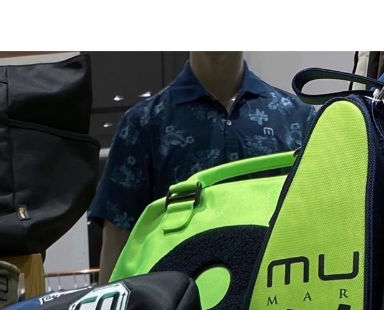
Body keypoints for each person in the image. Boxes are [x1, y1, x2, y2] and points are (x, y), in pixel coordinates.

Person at [90, 53, 315, 281]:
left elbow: (313, 219)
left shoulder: (295, 117)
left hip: (272, 287)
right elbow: (118, 237)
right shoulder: (144, 123)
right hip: (177, 293)